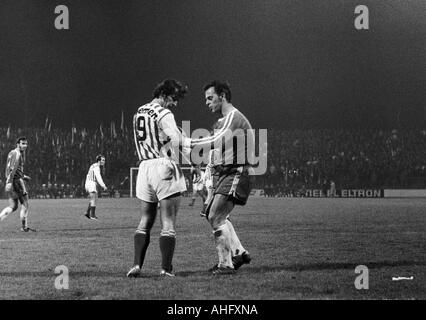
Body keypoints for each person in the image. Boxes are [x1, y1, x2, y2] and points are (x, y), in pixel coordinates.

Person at [126, 79, 190, 278]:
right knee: (168, 222)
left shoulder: (138, 112)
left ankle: (137, 265)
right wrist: (179, 134)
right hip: (162, 165)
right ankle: (165, 269)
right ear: (163, 94)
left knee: (145, 220)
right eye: (173, 98)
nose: (175, 103)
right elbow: (178, 141)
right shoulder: (164, 113)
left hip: (143, 168)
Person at [190, 80, 253, 274]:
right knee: (216, 215)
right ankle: (239, 253)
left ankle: (225, 265)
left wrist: (186, 142)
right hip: (225, 172)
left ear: (223, 96)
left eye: (210, 98)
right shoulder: (223, 121)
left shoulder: (233, 117)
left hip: (236, 171)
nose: (207, 102)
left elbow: (215, 141)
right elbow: (217, 150)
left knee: (215, 216)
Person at [0, 137, 35, 232]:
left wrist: (23, 176)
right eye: (23, 143)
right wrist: (10, 181)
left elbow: (10, 168)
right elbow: (13, 169)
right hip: (16, 182)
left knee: (13, 206)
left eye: (26, 144)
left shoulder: (11, 153)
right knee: (25, 204)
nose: (25, 146)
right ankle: (24, 227)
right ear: (17, 144)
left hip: (11, 181)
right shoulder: (18, 154)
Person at [84, 155, 107, 220]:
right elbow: (98, 177)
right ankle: (92, 216)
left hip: (89, 183)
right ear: (99, 161)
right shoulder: (97, 167)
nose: (104, 161)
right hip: (91, 184)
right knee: (94, 199)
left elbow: (88, 175)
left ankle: (87, 212)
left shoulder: (93, 165)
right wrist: (103, 185)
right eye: (103, 160)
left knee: (94, 199)